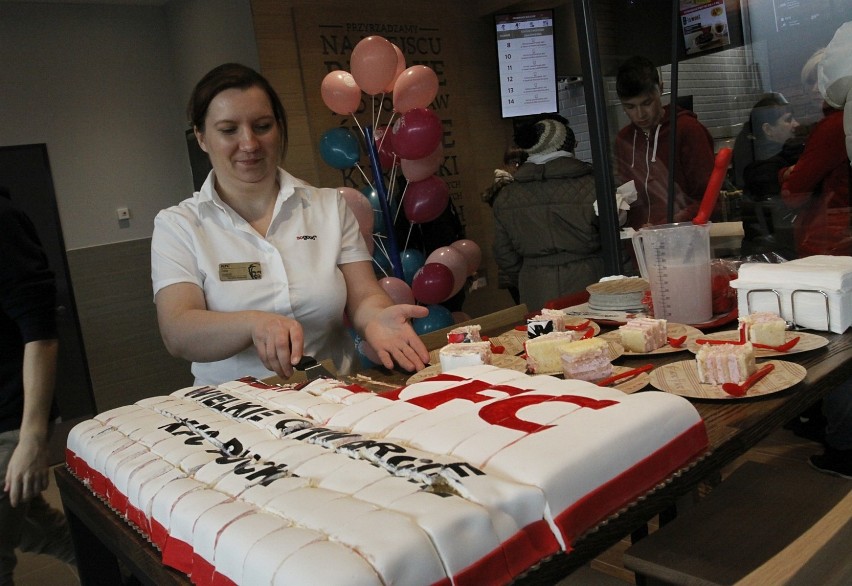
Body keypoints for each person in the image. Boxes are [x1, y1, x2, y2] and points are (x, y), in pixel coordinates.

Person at [151, 64, 429, 386]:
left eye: (263, 126)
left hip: (334, 398)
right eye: (228, 130)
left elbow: (364, 296)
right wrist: (253, 324)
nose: (250, 143)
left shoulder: (328, 207)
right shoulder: (179, 225)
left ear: (279, 128)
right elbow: (178, 330)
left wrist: (377, 317)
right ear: (201, 137)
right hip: (234, 413)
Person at [1, 187, 76, 582]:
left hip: (10, 420)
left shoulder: (2, 219)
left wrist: (31, 439)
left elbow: (41, 331)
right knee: (39, 532)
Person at [492, 115, 605, 313]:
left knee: (545, 341)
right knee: (594, 339)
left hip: (535, 287)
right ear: (569, 146)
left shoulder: (506, 195)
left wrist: (532, 272)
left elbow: (504, 254)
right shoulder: (595, 184)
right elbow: (615, 241)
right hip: (591, 283)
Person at [614, 56, 716, 229]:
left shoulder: (687, 130)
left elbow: (709, 199)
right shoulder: (624, 140)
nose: (640, 115)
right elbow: (628, 198)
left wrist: (663, 227)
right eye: (630, 107)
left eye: (646, 103)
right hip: (641, 247)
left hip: (685, 241)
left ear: (660, 90)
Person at [731, 93, 803, 258]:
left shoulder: (781, 154)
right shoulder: (760, 167)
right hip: (771, 254)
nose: (796, 124)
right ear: (768, 130)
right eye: (788, 119)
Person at [481, 147, 528, 305]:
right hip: (518, 264)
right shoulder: (507, 190)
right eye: (514, 163)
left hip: (513, 263)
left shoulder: (502, 187)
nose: (518, 167)